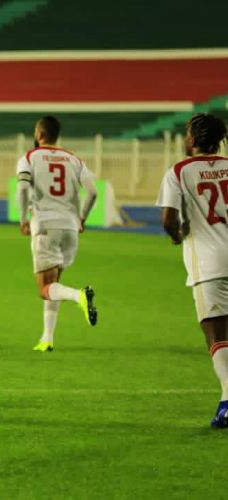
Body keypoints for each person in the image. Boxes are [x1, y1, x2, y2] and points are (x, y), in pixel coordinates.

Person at [157, 113, 228, 428]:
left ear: (196, 138)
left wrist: (177, 235)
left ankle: (227, 401)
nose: (185, 140)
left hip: (209, 263)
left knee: (215, 333)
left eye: (187, 134)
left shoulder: (179, 172)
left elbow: (168, 220)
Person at [15, 116, 98, 352]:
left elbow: (22, 188)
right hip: (70, 228)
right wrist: (82, 218)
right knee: (54, 285)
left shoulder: (30, 157)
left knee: (45, 289)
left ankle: (78, 295)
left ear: (39, 134)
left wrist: (23, 218)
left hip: (45, 225)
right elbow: (92, 192)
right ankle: (47, 337)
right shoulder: (74, 159)